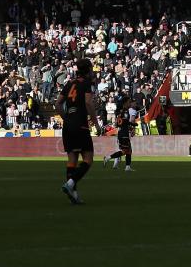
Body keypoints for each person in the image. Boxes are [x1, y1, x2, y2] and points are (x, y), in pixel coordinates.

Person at [57, 58, 100, 205]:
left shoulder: (69, 83)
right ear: (88, 69)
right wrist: (96, 123)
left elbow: (58, 103)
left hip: (68, 125)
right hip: (80, 124)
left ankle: (74, 195)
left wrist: (66, 118)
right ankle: (70, 184)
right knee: (88, 159)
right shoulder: (87, 83)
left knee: (72, 160)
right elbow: (88, 102)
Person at [106, 93, 136, 172]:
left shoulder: (120, 111)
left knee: (129, 150)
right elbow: (125, 122)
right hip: (123, 132)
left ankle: (127, 167)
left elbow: (118, 122)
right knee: (125, 151)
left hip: (122, 131)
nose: (130, 103)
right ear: (125, 102)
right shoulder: (125, 111)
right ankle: (108, 157)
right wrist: (133, 124)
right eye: (129, 102)